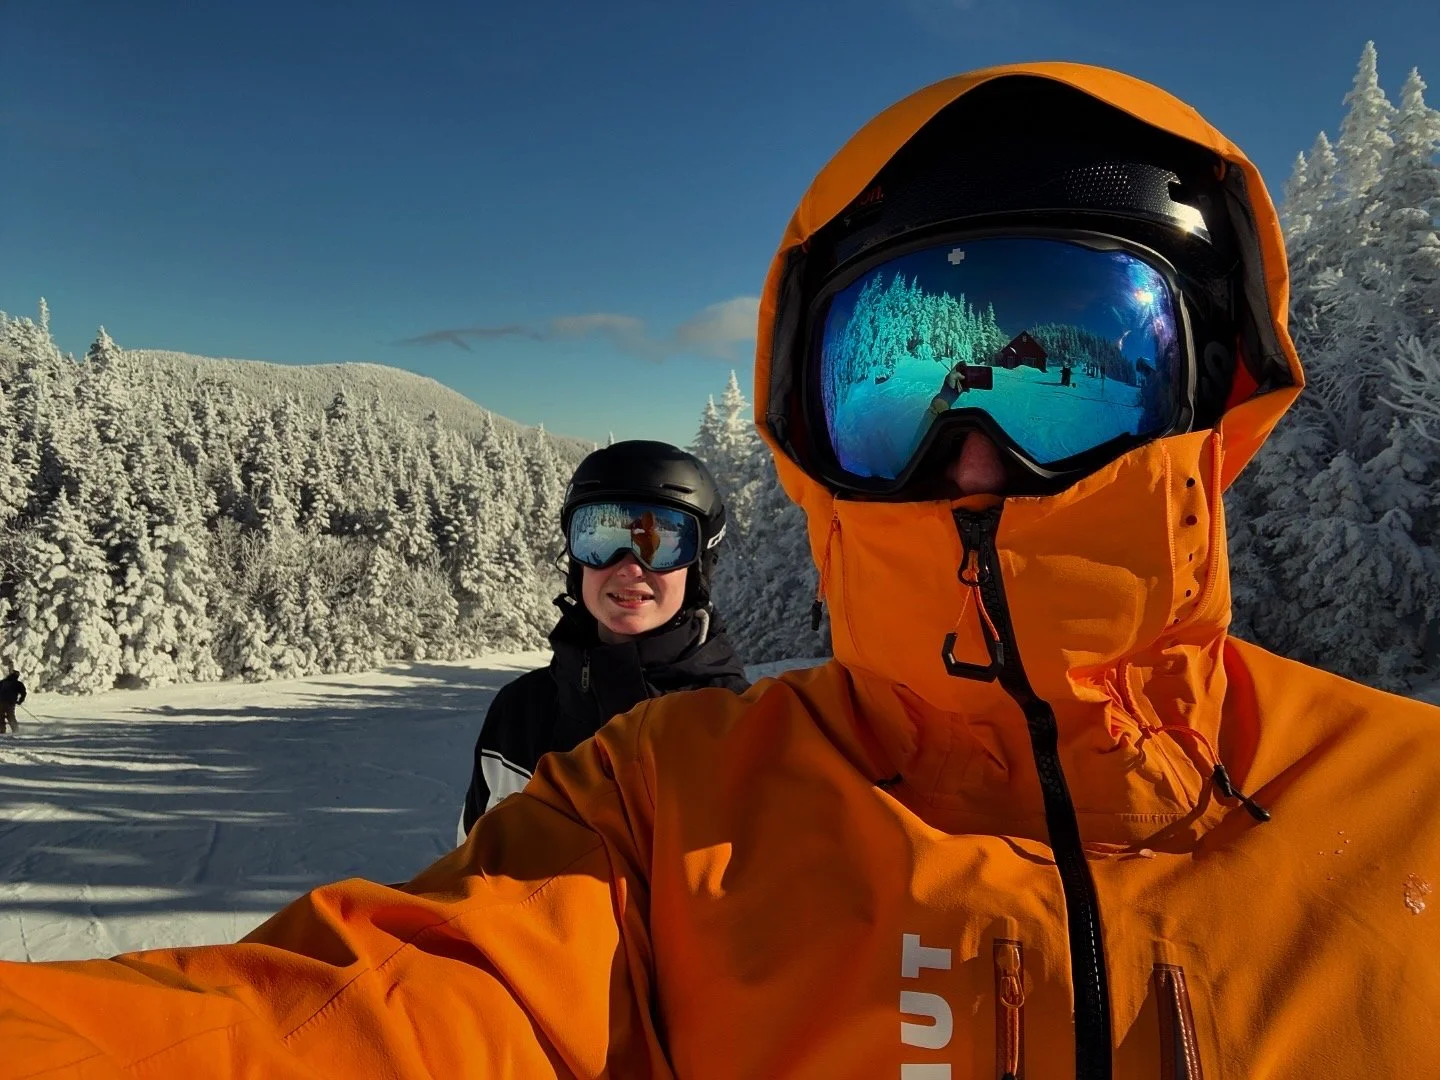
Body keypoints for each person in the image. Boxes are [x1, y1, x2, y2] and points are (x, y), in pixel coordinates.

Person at [2, 62, 1439, 1079]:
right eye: (901, 386)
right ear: (811, 438)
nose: (976, 458)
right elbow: (397, 1002)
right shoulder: (655, 810)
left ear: (1206, 398)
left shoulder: (1413, 808)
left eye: (1074, 371)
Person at [455, 440, 750, 844]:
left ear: (697, 568)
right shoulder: (520, 714)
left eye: (661, 543)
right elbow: (469, 871)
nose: (629, 566)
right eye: (600, 539)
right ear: (576, 564)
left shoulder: (738, 727)